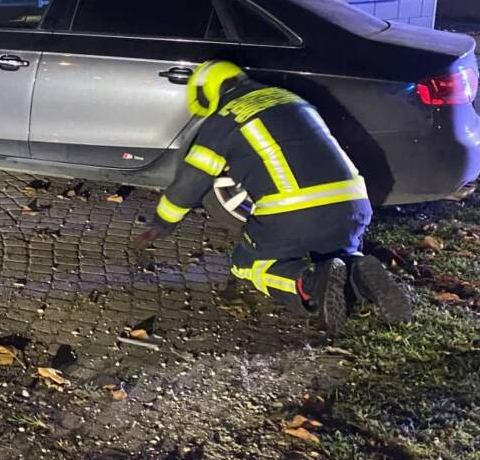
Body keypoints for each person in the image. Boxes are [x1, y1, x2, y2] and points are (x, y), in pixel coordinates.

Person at [133, 60, 412, 334]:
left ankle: (309, 283)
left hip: (294, 213)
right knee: (337, 253)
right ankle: (358, 270)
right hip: (354, 205)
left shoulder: (224, 120)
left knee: (247, 264)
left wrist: (163, 223)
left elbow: (190, 183)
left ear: (206, 93)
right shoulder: (292, 99)